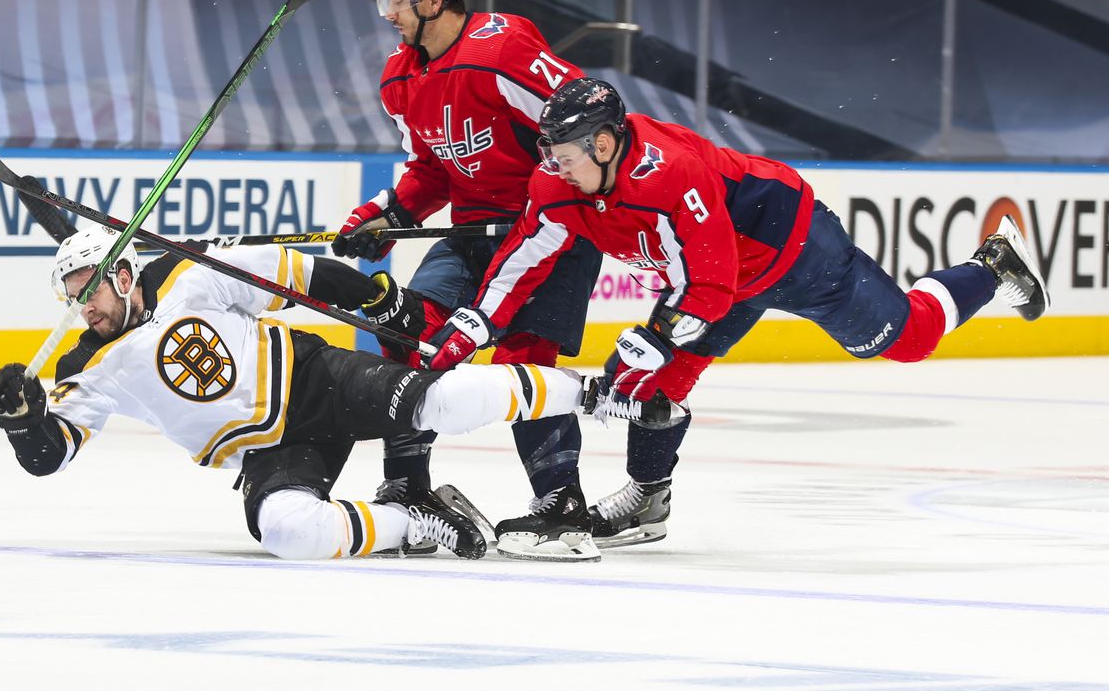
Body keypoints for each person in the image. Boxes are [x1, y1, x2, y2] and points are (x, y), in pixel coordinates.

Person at [425, 76, 1051, 548]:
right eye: (549, 151)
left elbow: (712, 284)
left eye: (565, 152)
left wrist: (651, 336)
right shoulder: (557, 183)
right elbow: (522, 259)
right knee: (651, 385)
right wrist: (474, 322)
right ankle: (649, 498)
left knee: (907, 337)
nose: (553, 166)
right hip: (711, 279)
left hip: (793, 248)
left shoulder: (670, 175)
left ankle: (992, 265)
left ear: (607, 142)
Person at [0, 226, 647, 561]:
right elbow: (49, 455)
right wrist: (21, 417)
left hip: (316, 379)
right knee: (287, 531)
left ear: (124, 273)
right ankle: (413, 518)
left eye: (88, 287)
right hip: (263, 449)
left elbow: (294, 272)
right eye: (71, 295)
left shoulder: (185, 272)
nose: (81, 305)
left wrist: (378, 299)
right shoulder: (83, 361)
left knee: (436, 399)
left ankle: (592, 393)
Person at [331, 0, 606, 562]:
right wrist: (389, 211)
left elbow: (589, 126)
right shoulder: (400, 75)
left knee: (522, 363)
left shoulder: (503, 51)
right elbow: (431, 167)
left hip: (550, 233)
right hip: (473, 233)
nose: (389, 12)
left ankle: (561, 506)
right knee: (406, 332)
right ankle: (409, 488)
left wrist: (553, 206)